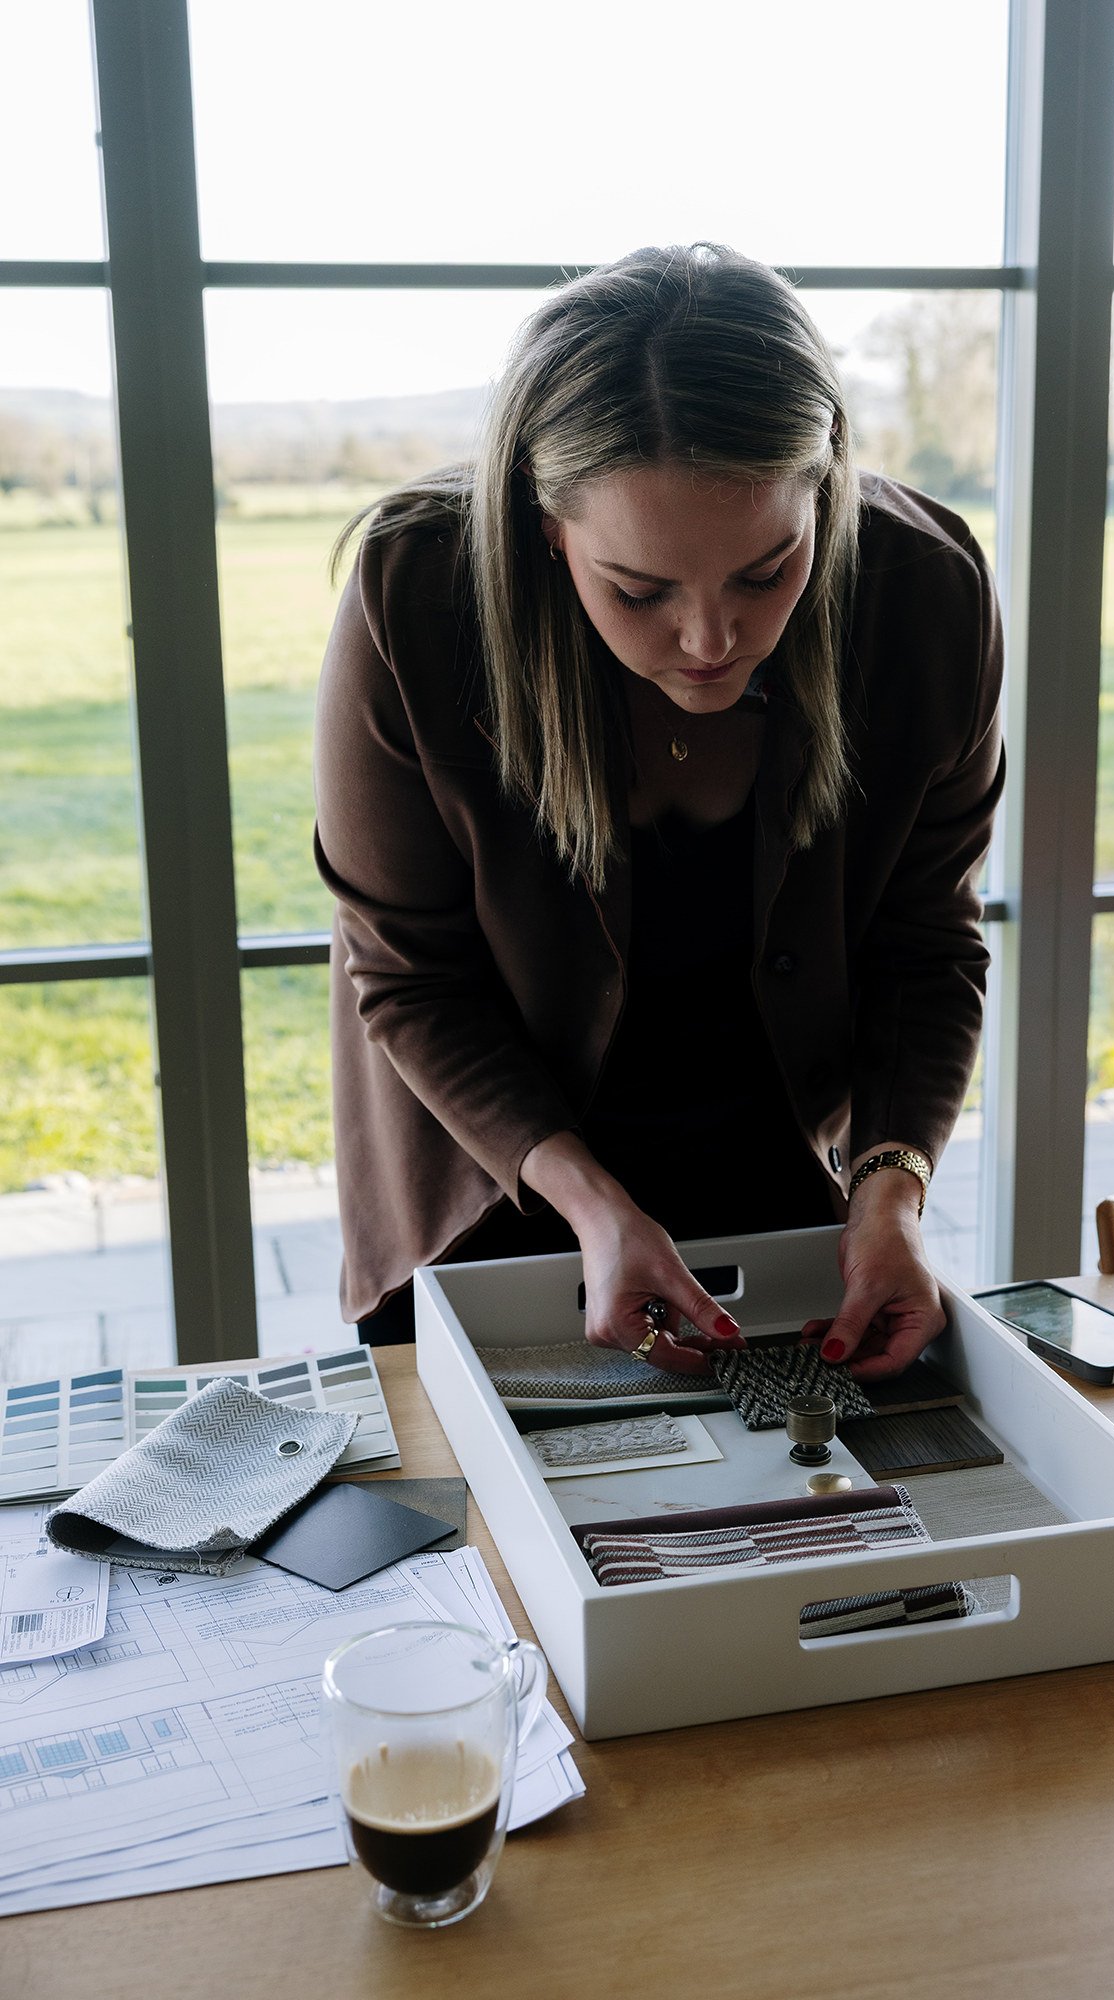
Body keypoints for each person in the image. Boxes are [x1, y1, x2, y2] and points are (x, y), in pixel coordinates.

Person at [313, 243, 1003, 1381]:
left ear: (823, 487)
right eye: (638, 590)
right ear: (547, 528)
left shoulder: (923, 594)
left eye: (765, 570)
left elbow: (925, 944)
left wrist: (891, 1188)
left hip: (783, 1201)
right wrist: (588, 1202)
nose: (709, 639)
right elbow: (408, 971)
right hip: (490, 1204)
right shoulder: (414, 600)